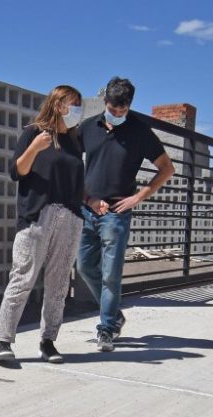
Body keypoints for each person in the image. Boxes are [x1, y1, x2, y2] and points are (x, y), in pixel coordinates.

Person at [76, 77, 174, 352]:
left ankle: (106, 328)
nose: (118, 114)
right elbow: (72, 163)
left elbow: (166, 168)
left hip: (117, 213)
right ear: (105, 101)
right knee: (84, 266)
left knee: (111, 275)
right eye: (113, 109)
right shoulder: (87, 127)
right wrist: (86, 197)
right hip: (88, 208)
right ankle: (116, 314)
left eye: (123, 110)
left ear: (130, 105)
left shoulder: (139, 131)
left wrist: (139, 196)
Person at [0, 85, 86, 364]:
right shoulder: (33, 133)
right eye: (74, 104)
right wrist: (34, 148)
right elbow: (16, 172)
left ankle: (48, 342)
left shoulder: (74, 141)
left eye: (79, 105)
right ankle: (3, 341)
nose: (78, 110)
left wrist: (90, 202)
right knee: (22, 277)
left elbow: (75, 182)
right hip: (38, 215)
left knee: (58, 284)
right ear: (58, 104)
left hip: (69, 216)